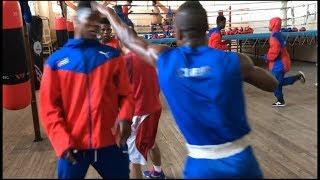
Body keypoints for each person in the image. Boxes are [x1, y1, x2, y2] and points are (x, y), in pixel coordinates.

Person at [95, 1, 278, 178]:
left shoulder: (164, 60)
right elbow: (272, 84)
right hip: (240, 162)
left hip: (200, 166)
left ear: (178, 33)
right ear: (206, 29)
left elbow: (128, 38)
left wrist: (107, 12)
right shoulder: (234, 61)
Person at [39, 2, 134, 179]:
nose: (95, 26)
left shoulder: (112, 57)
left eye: (97, 22)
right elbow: (49, 108)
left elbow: (126, 94)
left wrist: (126, 118)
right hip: (72, 145)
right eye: (89, 21)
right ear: (76, 20)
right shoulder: (56, 62)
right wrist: (61, 141)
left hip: (111, 142)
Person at [118, 31, 165, 179]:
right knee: (150, 142)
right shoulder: (150, 55)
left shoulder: (127, 60)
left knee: (133, 158)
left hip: (139, 112)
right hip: (154, 108)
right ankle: (157, 172)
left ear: (121, 41)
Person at [263, 17, 306, 107]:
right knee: (278, 82)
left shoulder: (274, 35)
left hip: (279, 63)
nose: (268, 26)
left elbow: (275, 51)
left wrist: (267, 57)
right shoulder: (278, 34)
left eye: (270, 24)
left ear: (273, 24)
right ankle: (297, 77)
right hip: (282, 62)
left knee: (276, 83)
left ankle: (281, 100)